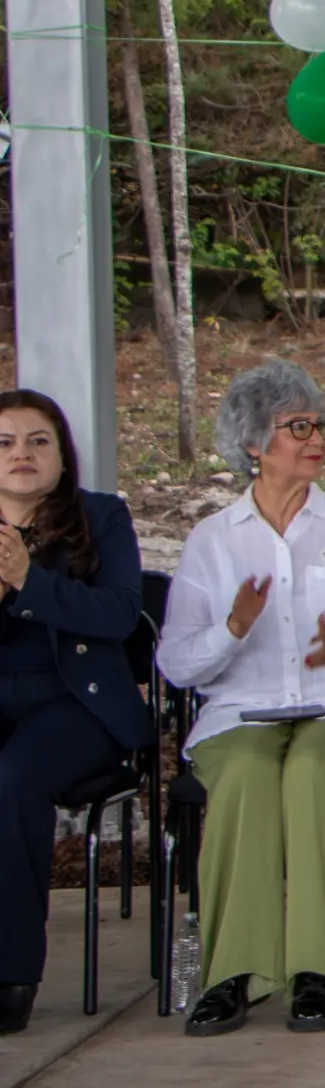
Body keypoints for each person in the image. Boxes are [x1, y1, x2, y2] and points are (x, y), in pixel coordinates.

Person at [160, 362, 325, 1036]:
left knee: (310, 772)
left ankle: (316, 973)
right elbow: (177, 663)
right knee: (245, 773)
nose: (315, 438)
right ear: (252, 444)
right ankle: (232, 974)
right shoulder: (213, 540)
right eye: (296, 426)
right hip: (240, 712)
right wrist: (233, 628)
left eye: (318, 423)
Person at [0, 392, 147, 1036]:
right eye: (4, 442)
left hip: (76, 703)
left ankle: (10, 973)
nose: (21, 454)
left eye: (38, 441)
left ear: (62, 454)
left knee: (11, 780)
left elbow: (119, 616)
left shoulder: (101, 518)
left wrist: (30, 581)